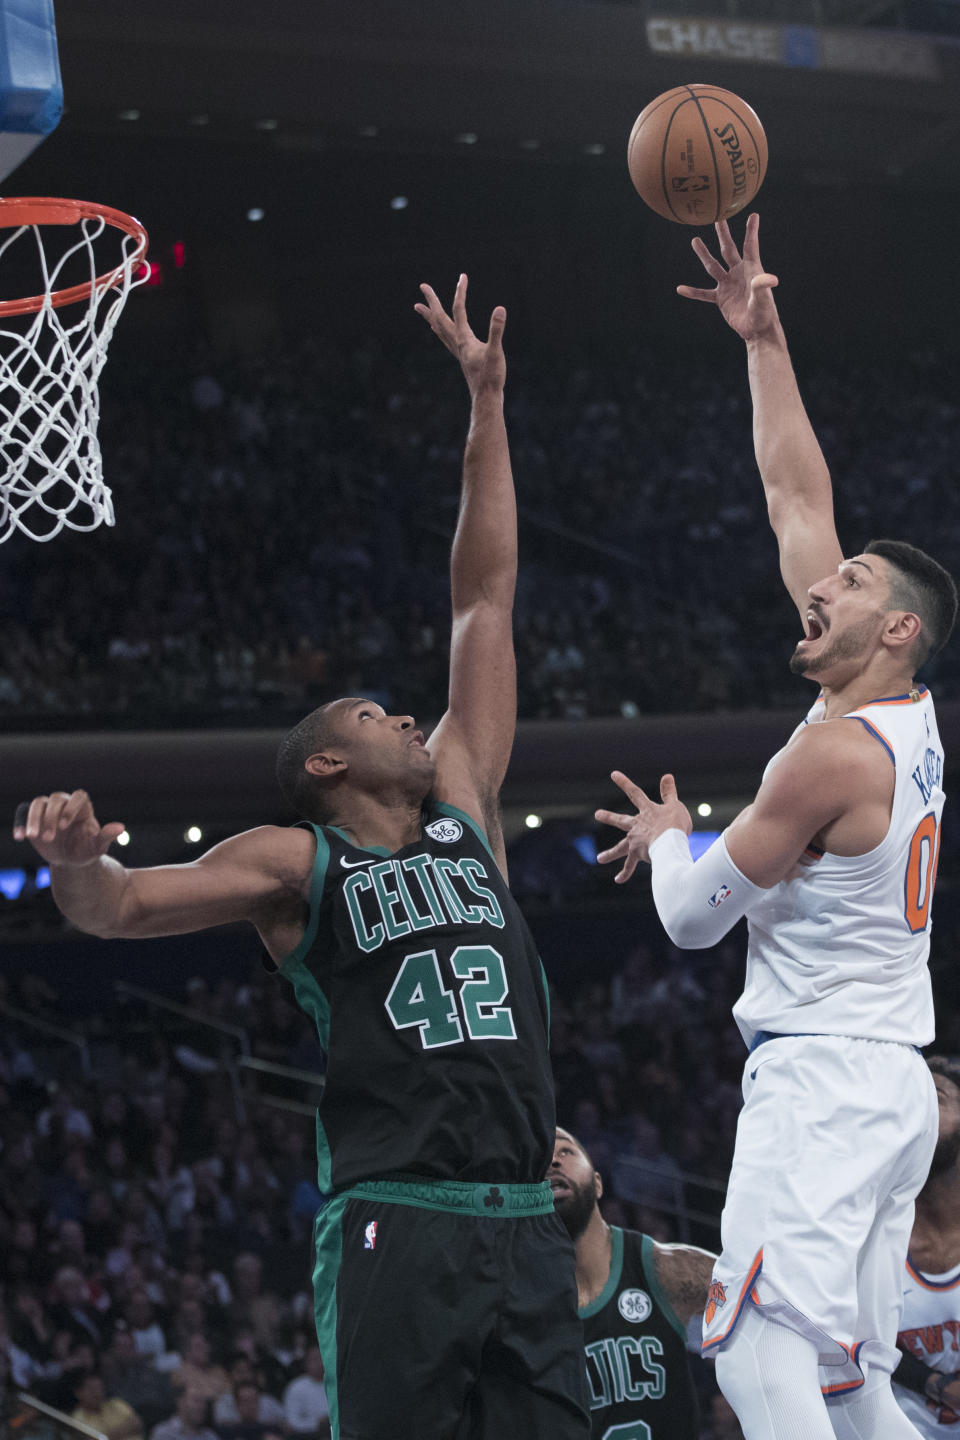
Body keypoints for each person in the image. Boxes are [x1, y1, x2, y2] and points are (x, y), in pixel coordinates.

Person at [15, 277, 589, 1440]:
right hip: (398, 1213)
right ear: (328, 767)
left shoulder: (466, 807)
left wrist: (487, 404)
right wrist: (75, 860)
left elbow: (483, 595)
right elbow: (118, 911)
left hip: (530, 1214)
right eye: (375, 714)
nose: (404, 721)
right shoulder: (296, 861)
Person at [594, 214, 957, 1440]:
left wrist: (669, 839)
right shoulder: (903, 715)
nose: (823, 581)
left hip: (824, 1083)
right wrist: (764, 337)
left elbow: (697, 922)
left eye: (852, 583)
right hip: (889, 1084)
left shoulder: (829, 753)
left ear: (896, 628)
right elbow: (797, 493)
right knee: (850, 1388)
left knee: (751, 1355)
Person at [550, 1127, 714, 1439]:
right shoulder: (523, 1303)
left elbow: (761, 1300)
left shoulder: (663, 1269)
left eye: (565, 1151)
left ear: (598, 1183)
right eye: (540, 1160)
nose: (553, 1163)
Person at [892, 1056, 960, 1432]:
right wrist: (935, 1384)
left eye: (936, 1097)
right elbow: (853, 1339)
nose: (922, 1112)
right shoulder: (875, 1231)